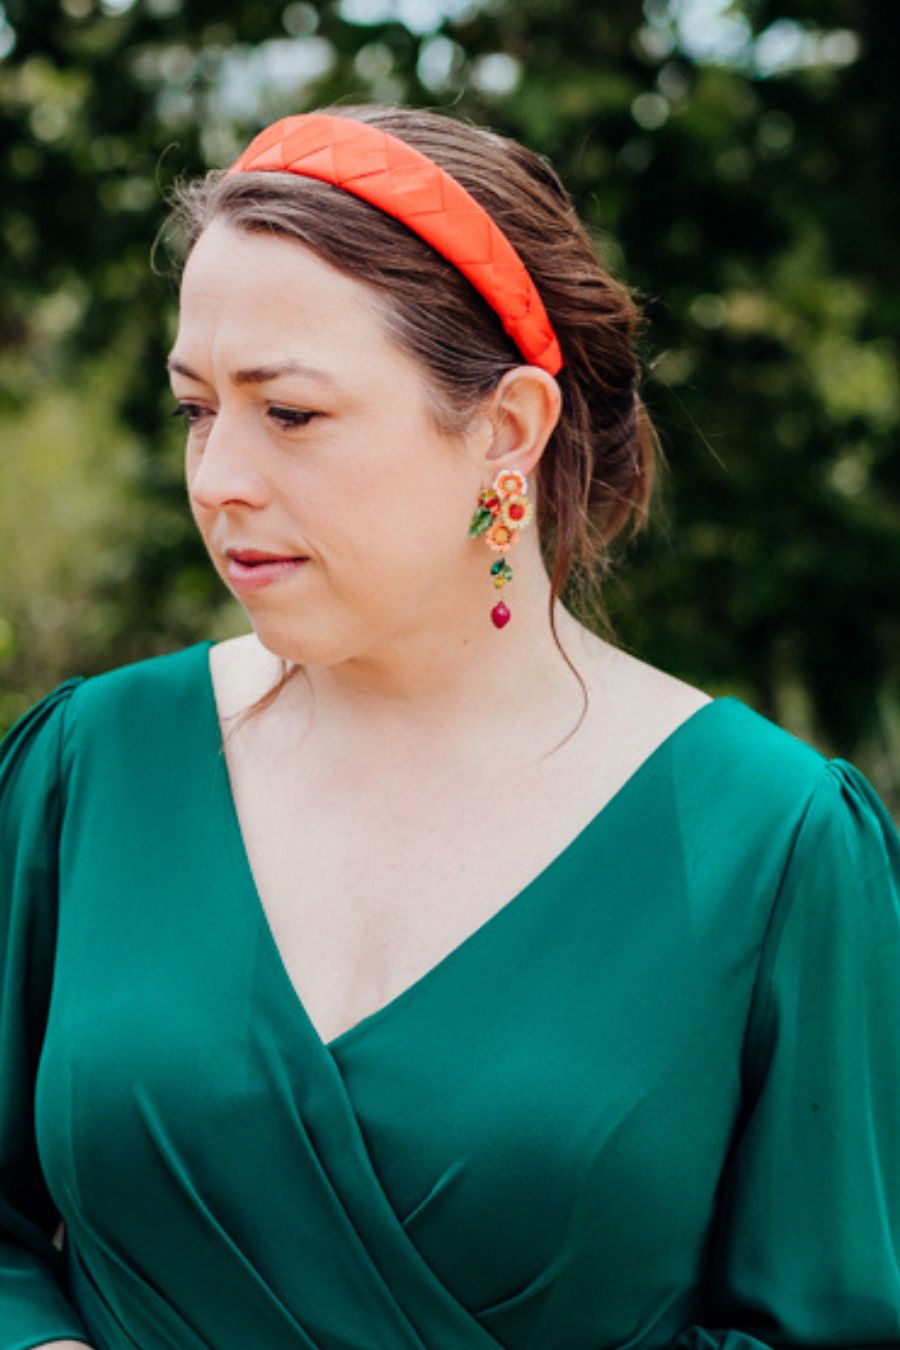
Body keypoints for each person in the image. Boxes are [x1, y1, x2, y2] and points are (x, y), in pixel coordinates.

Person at [1, 102, 899, 1350]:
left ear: (506, 431)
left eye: (292, 413)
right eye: (195, 409)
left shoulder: (771, 844)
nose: (217, 480)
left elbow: (829, 1323)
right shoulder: (89, 768)